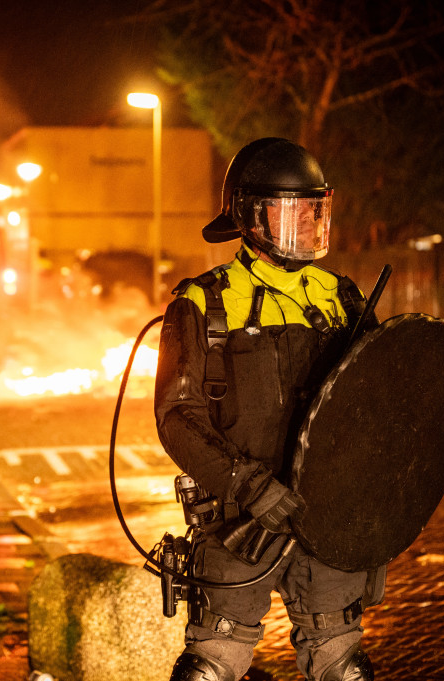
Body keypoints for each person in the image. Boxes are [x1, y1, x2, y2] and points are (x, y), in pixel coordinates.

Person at [154, 138, 380, 681]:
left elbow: (379, 408)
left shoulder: (342, 298)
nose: (304, 222)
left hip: (325, 524)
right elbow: (177, 418)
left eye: (313, 210)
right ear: (249, 217)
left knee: (345, 669)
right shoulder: (202, 302)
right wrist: (249, 486)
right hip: (238, 522)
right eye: (289, 210)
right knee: (209, 669)